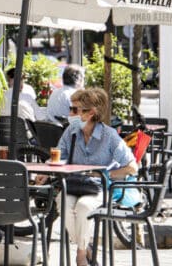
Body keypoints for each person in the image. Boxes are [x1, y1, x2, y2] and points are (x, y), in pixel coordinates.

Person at [36, 88, 137, 266]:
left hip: (97, 187)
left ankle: (81, 256)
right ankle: (88, 248)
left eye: (74, 110)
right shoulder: (70, 132)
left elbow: (132, 167)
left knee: (83, 208)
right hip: (73, 184)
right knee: (63, 204)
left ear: (91, 113)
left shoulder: (109, 135)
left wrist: (104, 174)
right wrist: (45, 171)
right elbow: (60, 156)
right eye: (71, 108)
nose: (70, 114)